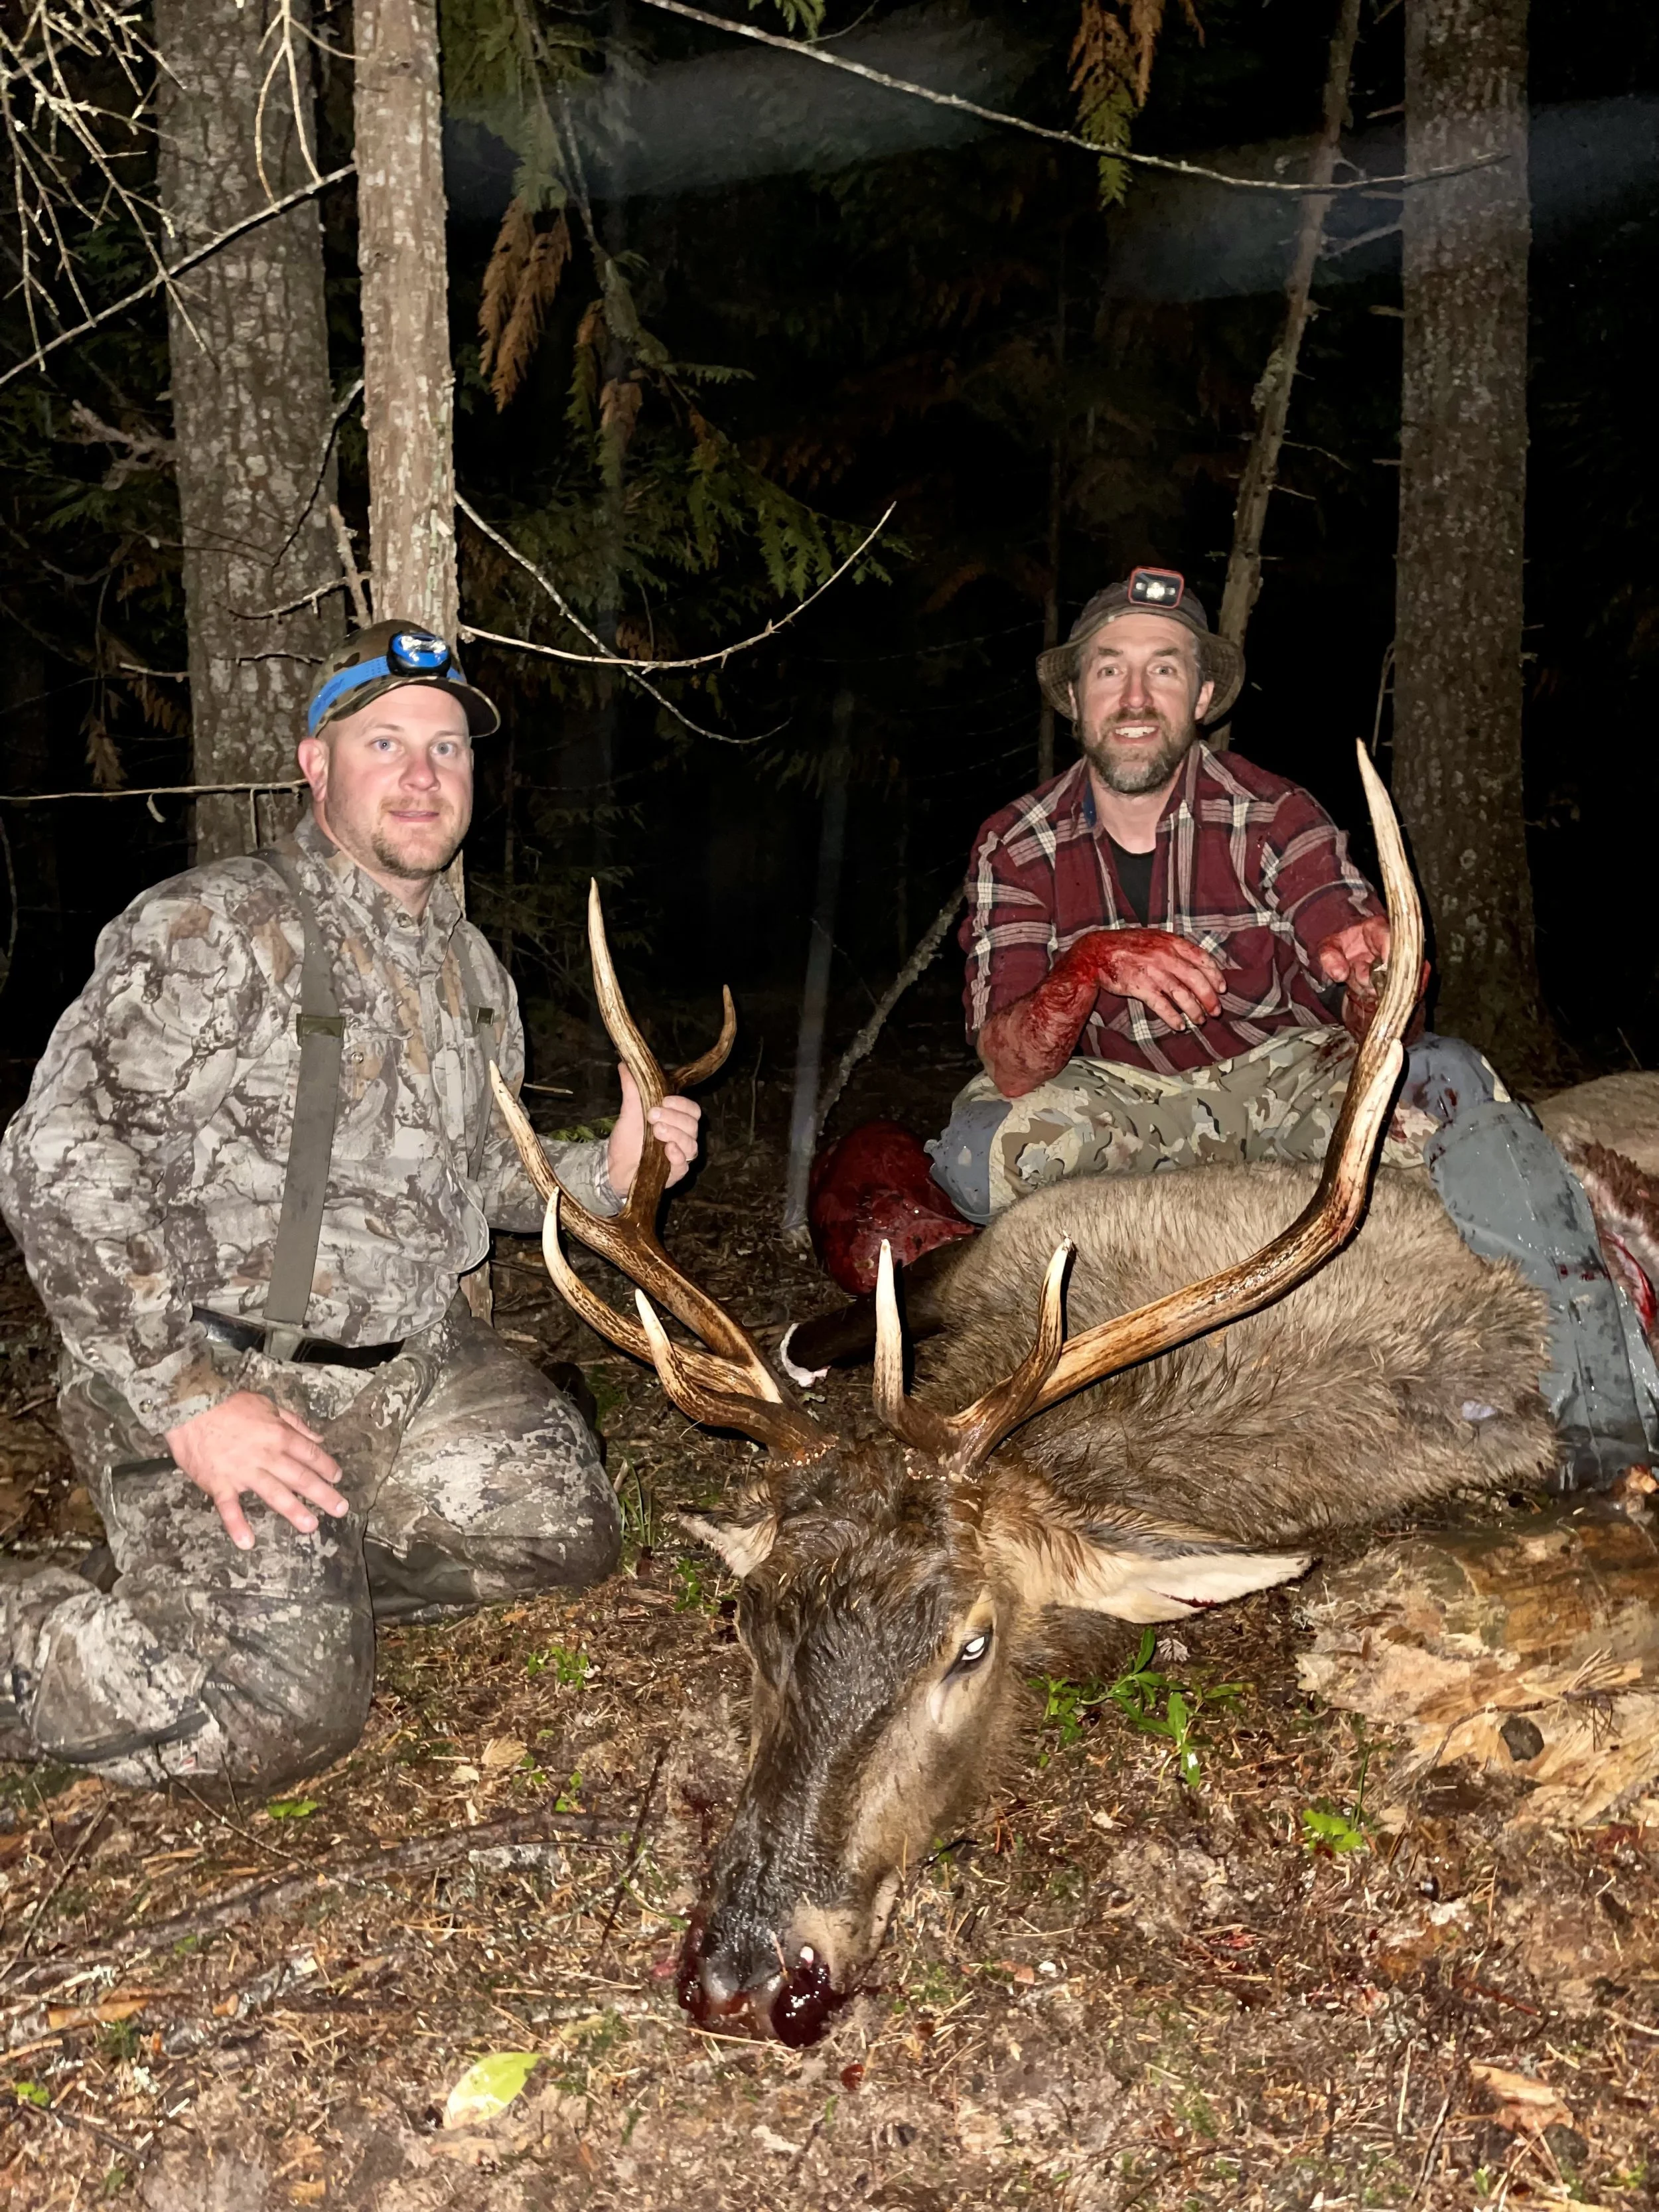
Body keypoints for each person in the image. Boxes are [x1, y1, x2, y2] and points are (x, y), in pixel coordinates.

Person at [0, 619, 700, 1789]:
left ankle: (287, 1577)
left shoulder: (471, 969)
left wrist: (610, 1168)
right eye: (386, 744)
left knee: (564, 1529)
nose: (423, 775)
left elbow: (481, 1176)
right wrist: (190, 1398)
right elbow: (54, 1152)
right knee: (275, 1715)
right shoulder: (220, 926)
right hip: (227, 1366)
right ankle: (80, 1615)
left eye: (447, 749)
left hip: (408, 1370)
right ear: (316, 766)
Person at [928, 567, 1429, 1222]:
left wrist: (1376, 982)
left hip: (1284, 1083)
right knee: (976, 1154)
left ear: (1202, 696)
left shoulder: (1277, 816)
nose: (1134, 699)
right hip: (1123, 1104)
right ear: (1075, 700)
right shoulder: (1015, 846)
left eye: (1164, 671)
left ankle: (1567, 1312)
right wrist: (1086, 964)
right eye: (1108, 671)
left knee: (1444, 1098)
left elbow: (1381, 1020)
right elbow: (1012, 1066)